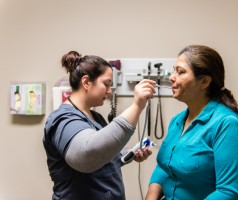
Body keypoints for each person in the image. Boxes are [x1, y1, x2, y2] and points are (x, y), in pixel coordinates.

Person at [146, 45, 238, 200]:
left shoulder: (227, 124)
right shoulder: (177, 121)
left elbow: (229, 193)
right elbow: (165, 167)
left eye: (180, 71)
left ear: (204, 82)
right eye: (174, 70)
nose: (171, 77)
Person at [43, 51, 156, 200]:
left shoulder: (95, 117)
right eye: (106, 84)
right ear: (86, 82)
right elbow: (87, 155)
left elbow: (102, 158)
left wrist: (129, 154)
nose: (109, 91)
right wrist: (137, 106)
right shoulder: (63, 119)